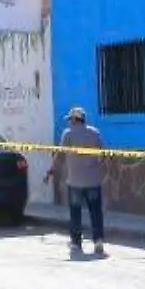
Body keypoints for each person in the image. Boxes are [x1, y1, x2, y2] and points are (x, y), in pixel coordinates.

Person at [47, 106, 106, 254]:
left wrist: (51, 171)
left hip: (75, 181)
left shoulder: (68, 134)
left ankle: (76, 243)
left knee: (75, 212)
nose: (69, 123)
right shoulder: (94, 133)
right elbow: (102, 156)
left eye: (70, 120)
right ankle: (98, 240)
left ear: (74, 119)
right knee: (95, 212)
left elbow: (60, 156)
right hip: (93, 180)